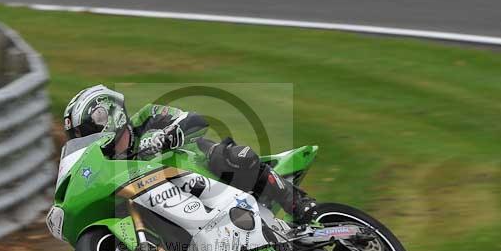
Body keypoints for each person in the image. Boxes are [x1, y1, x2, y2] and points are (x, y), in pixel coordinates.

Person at [63, 85, 318, 224]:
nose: (87, 139)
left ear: (106, 115)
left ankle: (298, 203)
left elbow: (195, 119)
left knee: (228, 156)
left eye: (87, 131)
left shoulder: (147, 117)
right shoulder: (110, 167)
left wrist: (168, 135)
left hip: (204, 169)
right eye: (80, 137)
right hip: (181, 204)